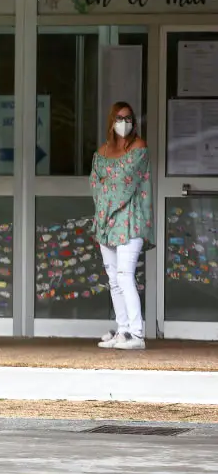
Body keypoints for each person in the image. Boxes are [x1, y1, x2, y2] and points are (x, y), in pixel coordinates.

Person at [91, 101, 153, 351]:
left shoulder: (139, 147)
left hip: (130, 222)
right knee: (114, 279)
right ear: (111, 121)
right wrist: (107, 188)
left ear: (134, 122)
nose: (124, 123)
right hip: (106, 223)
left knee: (126, 275)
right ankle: (123, 330)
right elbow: (96, 183)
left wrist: (108, 186)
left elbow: (122, 184)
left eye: (128, 119)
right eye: (119, 118)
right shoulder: (102, 151)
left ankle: (137, 334)